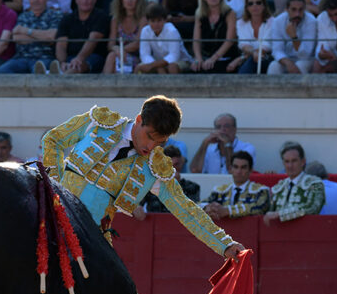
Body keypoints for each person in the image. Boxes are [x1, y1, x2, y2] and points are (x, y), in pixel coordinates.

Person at [42, 95, 245, 259]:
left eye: (159, 142)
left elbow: (185, 208)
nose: (150, 147)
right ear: (139, 120)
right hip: (51, 216)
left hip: (91, 240)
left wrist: (224, 243)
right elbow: (53, 140)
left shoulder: (154, 167)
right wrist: (55, 187)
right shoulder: (100, 123)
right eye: (149, 136)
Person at [0, 0, 63, 74]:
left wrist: (26, 31)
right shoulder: (23, 16)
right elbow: (17, 38)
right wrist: (43, 36)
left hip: (45, 57)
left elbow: (52, 36)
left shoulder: (55, 15)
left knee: (38, 71)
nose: (36, 0)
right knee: (2, 70)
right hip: (21, 58)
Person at [263, 141, 325, 224]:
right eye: (287, 161)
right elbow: (269, 211)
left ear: (303, 162)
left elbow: (312, 208)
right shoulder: (278, 187)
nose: (290, 166)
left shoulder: (315, 183)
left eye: (294, 161)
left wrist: (280, 214)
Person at [133, 145, 199, 218]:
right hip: (155, 226)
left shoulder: (193, 187)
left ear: (181, 163)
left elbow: (191, 212)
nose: (174, 169)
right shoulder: (151, 186)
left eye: (176, 165)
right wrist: (136, 208)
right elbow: (135, 202)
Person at [54, 0, 110, 74]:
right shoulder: (67, 19)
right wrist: (62, 62)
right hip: (71, 57)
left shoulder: (101, 16)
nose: (85, 1)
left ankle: (59, 77)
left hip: (94, 57)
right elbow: (61, 44)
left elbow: (92, 40)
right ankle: (60, 72)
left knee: (77, 66)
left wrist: (79, 58)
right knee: (66, 64)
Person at [204, 150, 270, 219]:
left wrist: (227, 211)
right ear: (230, 169)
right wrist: (208, 208)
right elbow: (200, 204)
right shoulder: (220, 191)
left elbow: (260, 207)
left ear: (250, 170)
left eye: (243, 167)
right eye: (236, 167)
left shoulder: (261, 191)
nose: (239, 171)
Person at [190, 0, 239, 73]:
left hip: (225, 57)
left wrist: (213, 59)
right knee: (195, 70)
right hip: (206, 57)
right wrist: (198, 58)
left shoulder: (230, 13)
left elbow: (230, 40)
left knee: (210, 70)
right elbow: (196, 40)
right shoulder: (199, 14)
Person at [267, 0, 317, 74]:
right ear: (286, 9)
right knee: (273, 66)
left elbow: (305, 55)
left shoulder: (311, 21)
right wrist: (288, 63)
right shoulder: (278, 21)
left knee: (300, 65)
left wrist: (294, 37)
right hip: (286, 58)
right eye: (293, 9)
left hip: (306, 59)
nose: (297, 14)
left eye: (300, 10)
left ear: (304, 9)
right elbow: (277, 50)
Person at [190, 113, 256, 174]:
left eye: (226, 126)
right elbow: (194, 170)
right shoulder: (210, 150)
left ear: (235, 129)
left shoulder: (247, 148)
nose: (222, 129)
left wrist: (227, 144)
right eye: (218, 127)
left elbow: (232, 171)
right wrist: (204, 144)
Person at [136, 2, 191, 73]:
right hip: (157, 61)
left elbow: (174, 56)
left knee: (172, 67)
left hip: (181, 60)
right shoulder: (145, 31)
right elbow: (144, 55)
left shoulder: (172, 31)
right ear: (148, 21)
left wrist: (154, 65)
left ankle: (174, 84)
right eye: (153, 21)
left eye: (159, 20)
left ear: (165, 20)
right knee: (139, 67)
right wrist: (156, 65)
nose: (156, 24)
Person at [227, 0, 273, 73]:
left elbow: (266, 46)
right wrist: (252, 53)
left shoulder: (272, 22)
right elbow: (243, 45)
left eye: (258, 2)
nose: (254, 6)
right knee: (251, 61)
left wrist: (241, 58)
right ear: (247, 7)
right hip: (250, 59)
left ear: (264, 5)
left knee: (251, 61)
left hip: (268, 58)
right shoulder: (240, 23)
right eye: (250, 3)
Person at [101, 0, 147, 74]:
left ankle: (103, 84)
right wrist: (116, 49)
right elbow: (110, 44)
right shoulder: (116, 19)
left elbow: (137, 44)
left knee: (113, 56)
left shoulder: (142, 19)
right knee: (112, 57)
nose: (129, 1)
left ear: (138, 1)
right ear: (121, 0)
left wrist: (120, 50)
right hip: (119, 55)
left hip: (137, 57)